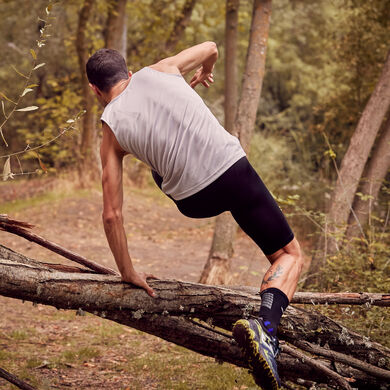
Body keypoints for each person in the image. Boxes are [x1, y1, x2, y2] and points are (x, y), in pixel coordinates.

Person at [86, 41, 303, 390]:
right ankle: (266, 328)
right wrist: (206, 70)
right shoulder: (161, 68)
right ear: (128, 72)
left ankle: (264, 336)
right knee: (288, 254)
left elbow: (112, 214)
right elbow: (213, 46)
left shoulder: (109, 127)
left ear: (95, 90)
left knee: (163, 168)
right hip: (232, 173)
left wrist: (127, 271)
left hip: (192, 199)